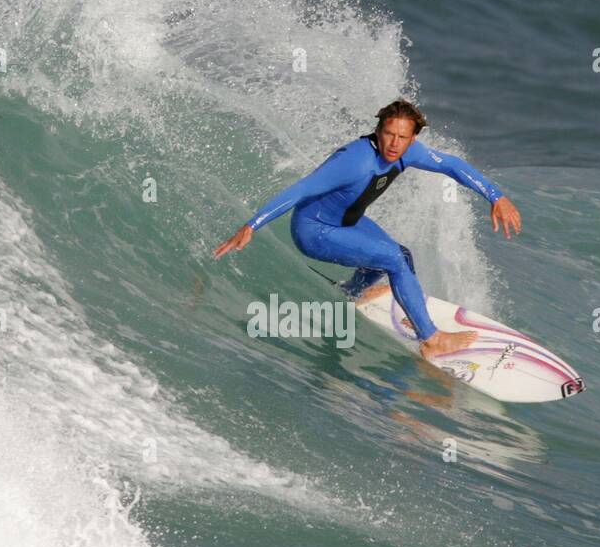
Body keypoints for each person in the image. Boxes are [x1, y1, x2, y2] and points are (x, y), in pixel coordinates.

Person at [214, 99, 522, 358]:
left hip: (347, 221)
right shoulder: (355, 161)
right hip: (314, 231)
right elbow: (303, 189)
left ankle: (354, 292)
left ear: (412, 138)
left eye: (402, 138)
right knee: (393, 260)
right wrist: (253, 224)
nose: (393, 144)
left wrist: (496, 196)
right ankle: (431, 339)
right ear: (378, 130)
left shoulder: (408, 152)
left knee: (400, 255)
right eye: (388, 134)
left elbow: (451, 165)